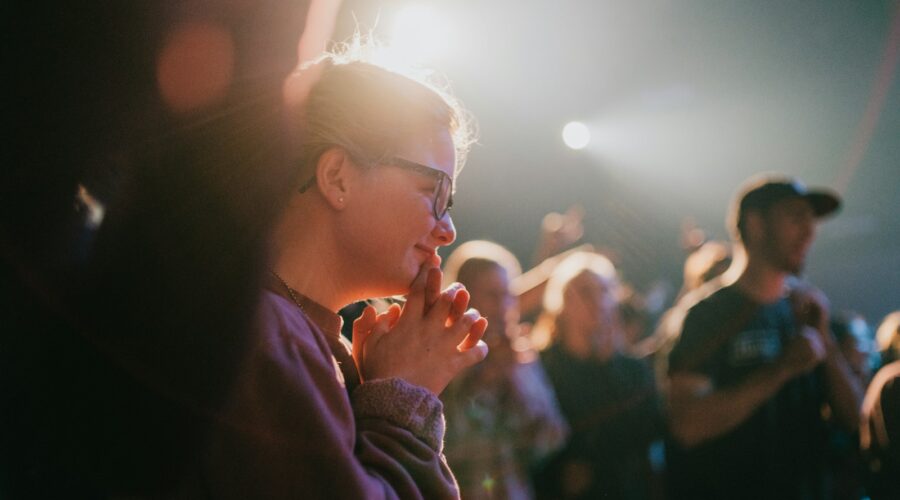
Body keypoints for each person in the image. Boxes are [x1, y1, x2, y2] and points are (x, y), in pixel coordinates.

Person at [200, 44, 489, 498]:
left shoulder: (292, 333)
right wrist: (402, 398)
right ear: (337, 177)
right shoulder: (268, 337)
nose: (448, 230)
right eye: (434, 192)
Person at [665, 175, 863, 499]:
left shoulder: (807, 310)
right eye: (795, 217)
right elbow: (687, 426)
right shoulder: (707, 315)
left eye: (811, 220)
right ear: (756, 226)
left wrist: (824, 339)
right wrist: (781, 368)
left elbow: (855, 420)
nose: (809, 231)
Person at [439, 240, 569, 499]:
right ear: (464, 298)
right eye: (493, 295)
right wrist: (485, 381)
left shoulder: (522, 357)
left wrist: (518, 386)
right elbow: (442, 446)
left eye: (509, 294)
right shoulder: (440, 356)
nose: (504, 305)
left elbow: (553, 439)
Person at [532, 251, 663, 500]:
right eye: (585, 292)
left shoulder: (632, 370)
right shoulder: (540, 369)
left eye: (604, 292)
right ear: (561, 301)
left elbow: (651, 434)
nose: (598, 301)